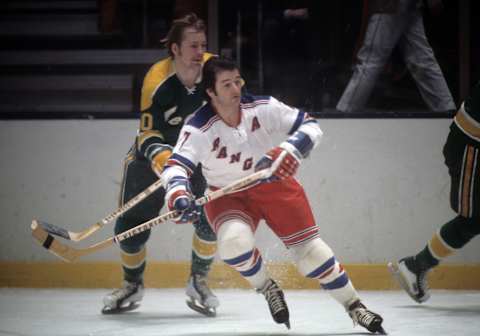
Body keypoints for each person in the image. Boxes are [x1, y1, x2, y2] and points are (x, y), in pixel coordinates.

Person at [161, 57, 385, 333]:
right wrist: (178, 194)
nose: (235, 89)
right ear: (210, 92)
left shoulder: (262, 107)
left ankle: (355, 306)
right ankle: (267, 288)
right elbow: (175, 168)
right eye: (226, 84)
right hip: (227, 195)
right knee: (233, 244)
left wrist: (292, 149)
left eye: (238, 81)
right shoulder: (198, 127)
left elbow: (311, 125)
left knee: (313, 255)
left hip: (275, 185)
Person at [102, 13, 219, 317]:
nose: (200, 53)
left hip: (200, 160)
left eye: (203, 45)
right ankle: (132, 284)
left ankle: (199, 281)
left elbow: (237, 114)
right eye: (193, 46)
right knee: (130, 230)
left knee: (211, 222)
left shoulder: (217, 72)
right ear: (175, 50)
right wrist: (167, 164)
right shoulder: (156, 80)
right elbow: (147, 133)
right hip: (151, 160)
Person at [388, 80, 480, 303]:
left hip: (471, 143)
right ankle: (415, 266)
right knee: (474, 219)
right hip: (473, 146)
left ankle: (416, 265)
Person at [336, 0, 456, 113]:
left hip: (392, 4)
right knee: (421, 60)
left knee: (371, 60)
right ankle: (446, 109)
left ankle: (346, 111)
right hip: (409, 4)